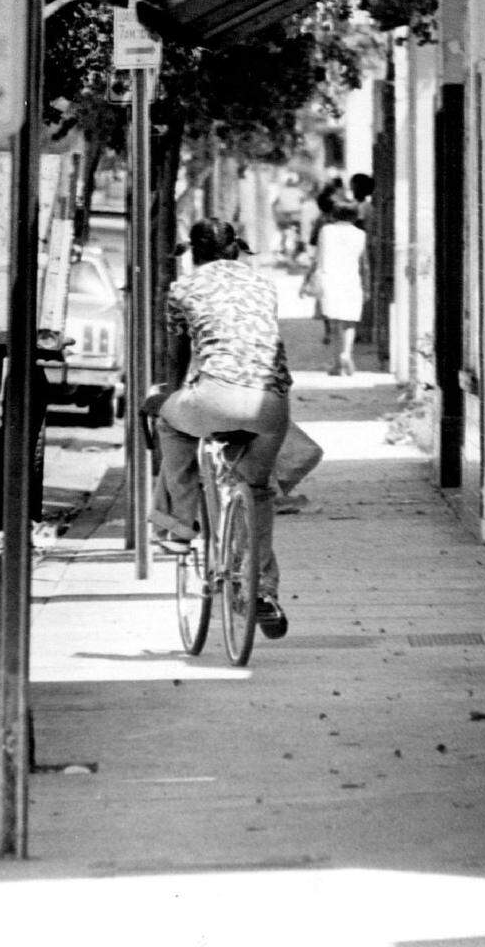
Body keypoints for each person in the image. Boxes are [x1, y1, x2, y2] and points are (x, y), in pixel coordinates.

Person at [147, 217, 291, 639]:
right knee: (257, 490)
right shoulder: (263, 284)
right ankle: (262, 589)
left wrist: (169, 399)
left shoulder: (183, 289)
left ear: (194, 253)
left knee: (171, 423)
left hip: (215, 396)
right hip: (272, 404)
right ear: (235, 250)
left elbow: (178, 356)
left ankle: (180, 525)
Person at [305, 197, 365, 376]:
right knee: (350, 320)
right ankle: (346, 354)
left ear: (334, 214)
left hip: (330, 279)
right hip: (352, 279)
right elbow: (365, 263)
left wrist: (307, 279)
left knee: (334, 322)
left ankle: (338, 361)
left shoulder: (326, 231)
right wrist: (367, 286)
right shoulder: (360, 234)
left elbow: (318, 257)